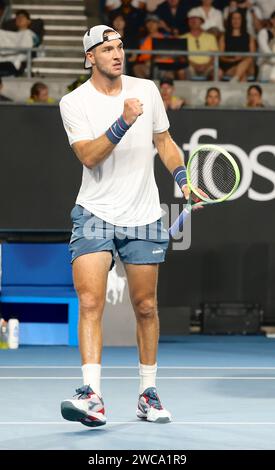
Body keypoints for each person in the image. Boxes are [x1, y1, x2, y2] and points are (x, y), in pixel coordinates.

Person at [59, 24, 191, 427]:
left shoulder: (147, 90)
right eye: (107, 49)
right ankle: (92, 396)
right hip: (95, 212)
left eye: (120, 47)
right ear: (90, 58)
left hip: (144, 214)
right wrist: (122, 121)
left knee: (146, 306)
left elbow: (164, 143)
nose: (117, 54)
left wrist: (183, 181)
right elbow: (89, 157)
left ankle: (147, 394)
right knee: (91, 302)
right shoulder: (73, 102)